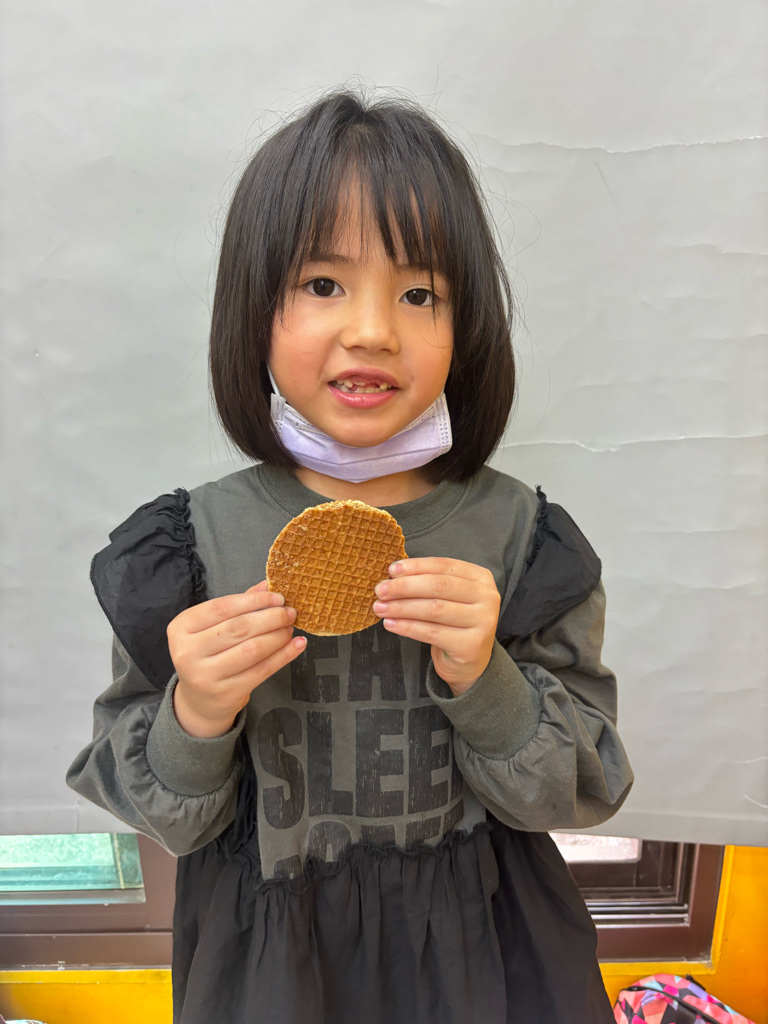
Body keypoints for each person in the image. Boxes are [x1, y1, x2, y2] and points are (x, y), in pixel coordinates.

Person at [67, 87, 634, 1023]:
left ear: (466, 326)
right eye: (323, 284)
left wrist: (488, 680)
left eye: (419, 294)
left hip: (483, 956)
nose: (373, 329)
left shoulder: (524, 541)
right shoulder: (187, 548)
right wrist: (196, 711)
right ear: (253, 309)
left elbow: (586, 787)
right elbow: (160, 811)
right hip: (273, 968)